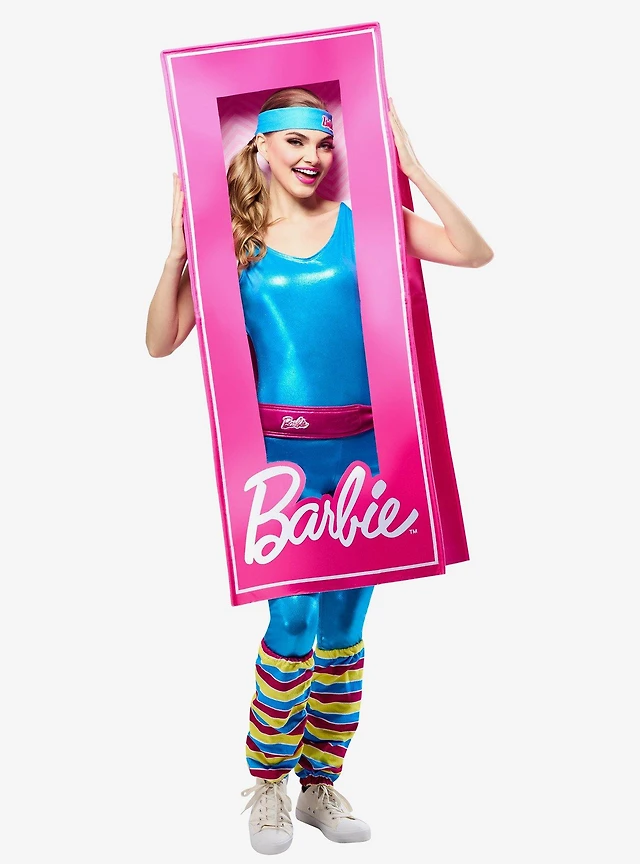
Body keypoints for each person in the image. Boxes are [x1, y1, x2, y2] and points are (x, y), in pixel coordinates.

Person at [146, 86, 493, 855]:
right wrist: (175, 256)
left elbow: (473, 253)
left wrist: (413, 169)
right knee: (291, 624)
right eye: (296, 141)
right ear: (261, 147)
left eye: (324, 141)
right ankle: (268, 783)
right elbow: (161, 342)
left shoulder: (368, 224)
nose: (312, 156)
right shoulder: (231, 240)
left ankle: (320, 784)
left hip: (364, 460)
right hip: (281, 467)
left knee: (343, 629)